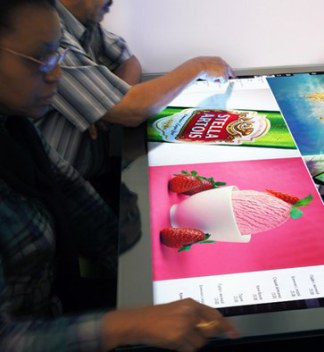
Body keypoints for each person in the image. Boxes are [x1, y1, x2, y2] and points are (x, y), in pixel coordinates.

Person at [0, 0, 237, 350]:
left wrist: (154, 263)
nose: (56, 74)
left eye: (59, 57)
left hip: (60, 292)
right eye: (42, 59)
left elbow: (79, 203)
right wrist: (128, 325)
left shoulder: (18, 127)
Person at [36, 0, 235, 179]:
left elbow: (129, 61)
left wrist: (108, 103)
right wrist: (198, 66)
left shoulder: (83, 23)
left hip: (95, 172)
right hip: (56, 191)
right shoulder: (48, 33)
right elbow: (132, 110)